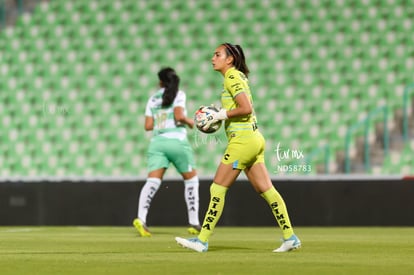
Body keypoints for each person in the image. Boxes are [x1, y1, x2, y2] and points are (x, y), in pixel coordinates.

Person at [175, 43, 301, 252]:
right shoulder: (238, 76)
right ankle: (290, 237)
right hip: (253, 138)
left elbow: (246, 108)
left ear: (229, 59)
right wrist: (220, 113)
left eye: (217, 55)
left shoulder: (232, 77)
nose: (212, 58)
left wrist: (219, 115)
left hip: (242, 141)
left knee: (217, 188)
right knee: (266, 190)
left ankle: (202, 240)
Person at [133, 67, 201, 237]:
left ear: (160, 81)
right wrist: (190, 122)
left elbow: (147, 126)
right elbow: (179, 116)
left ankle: (141, 219)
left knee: (152, 181)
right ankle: (194, 222)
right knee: (191, 180)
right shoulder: (179, 94)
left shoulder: (152, 98)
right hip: (176, 141)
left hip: (157, 143)